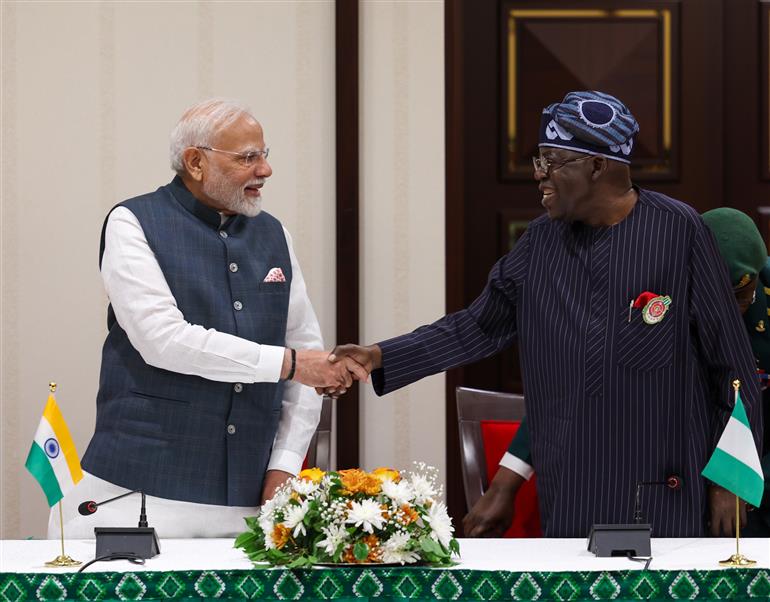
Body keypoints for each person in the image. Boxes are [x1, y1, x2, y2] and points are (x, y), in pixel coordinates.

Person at [329, 91, 763, 537]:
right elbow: (477, 325)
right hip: (571, 488)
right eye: (539, 161)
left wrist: (731, 479)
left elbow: (732, 367)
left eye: (552, 162)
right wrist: (381, 355)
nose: (539, 176)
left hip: (665, 494)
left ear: (598, 166)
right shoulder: (539, 243)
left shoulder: (680, 231)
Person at [50, 99, 364, 539]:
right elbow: (163, 340)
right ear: (196, 162)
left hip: (250, 502)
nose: (265, 170)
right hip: (138, 495)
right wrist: (288, 363)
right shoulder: (133, 222)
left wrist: (287, 464)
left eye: (265, 154)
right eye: (248, 158)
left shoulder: (274, 235)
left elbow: (308, 362)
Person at [463, 207, 770, 538]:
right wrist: (505, 484)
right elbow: (577, 385)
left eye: (737, 297)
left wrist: (733, 477)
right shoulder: (647, 293)